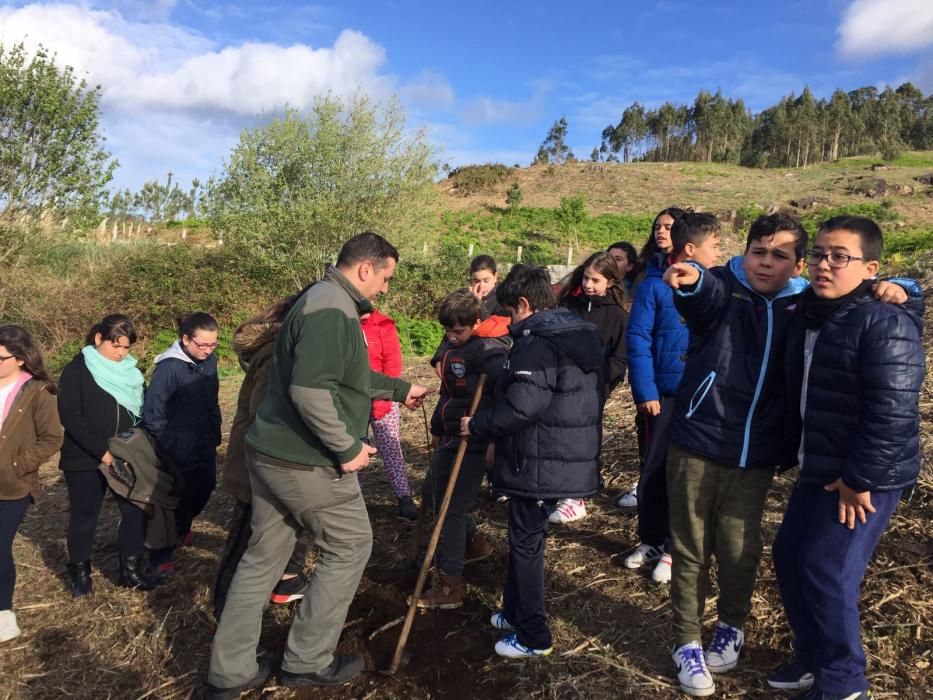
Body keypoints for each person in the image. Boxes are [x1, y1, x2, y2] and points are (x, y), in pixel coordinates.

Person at [661, 213, 910, 697]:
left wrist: (903, 286)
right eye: (759, 251)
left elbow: (863, 289)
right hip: (699, 441)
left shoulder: (806, 303)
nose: (766, 263)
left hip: (759, 452)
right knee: (689, 547)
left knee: (741, 550)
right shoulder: (724, 288)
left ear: (797, 264)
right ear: (745, 252)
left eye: (780, 255)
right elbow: (701, 298)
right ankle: (687, 640)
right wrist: (690, 284)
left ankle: (731, 627)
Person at [207, 232, 432, 698]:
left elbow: (344, 375)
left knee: (262, 558)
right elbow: (310, 392)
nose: (385, 289)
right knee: (351, 544)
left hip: (268, 452)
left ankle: (229, 671)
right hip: (303, 461)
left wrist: (397, 389)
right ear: (365, 269)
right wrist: (348, 448)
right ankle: (307, 660)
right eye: (385, 278)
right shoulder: (332, 308)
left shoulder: (320, 297)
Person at [770, 216, 924, 700]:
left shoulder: (885, 323)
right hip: (820, 463)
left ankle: (844, 681)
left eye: (840, 256)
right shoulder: (808, 313)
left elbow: (892, 412)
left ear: (871, 268)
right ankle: (813, 657)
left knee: (827, 568)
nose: (824, 264)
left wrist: (859, 479)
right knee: (790, 556)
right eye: (817, 253)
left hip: (865, 474)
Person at [460, 264, 603, 659]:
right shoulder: (572, 333)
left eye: (509, 312)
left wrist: (480, 425)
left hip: (539, 458)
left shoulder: (537, 341)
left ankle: (533, 635)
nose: (507, 321)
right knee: (526, 538)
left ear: (524, 304)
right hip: (556, 454)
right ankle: (514, 610)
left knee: (525, 545)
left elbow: (524, 407)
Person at [622, 214, 722, 584]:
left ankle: (675, 548)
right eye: (715, 247)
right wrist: (646, 390)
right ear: (691, 249)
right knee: (655, 469)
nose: (720, 253)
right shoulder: (652, 287)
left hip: (701, 395)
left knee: (690, 475)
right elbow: (639, 340)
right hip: (663, 394)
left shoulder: (720, 284)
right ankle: (651, 538)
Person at [213, 295, 313, 619]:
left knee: (262, 540)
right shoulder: (276, 354)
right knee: (244, 545)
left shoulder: (281, 348)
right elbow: (265, 414)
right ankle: (225, 621)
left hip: (264, 463)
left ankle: (282, 584)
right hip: (256, 465)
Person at [413, 289, 509, 609]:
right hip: (453, 436)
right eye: (448, 331)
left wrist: (493, 436)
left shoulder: (490, 351)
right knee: (431, 492)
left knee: (452, 508)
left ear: (477, 322)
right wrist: (438, 429)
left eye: (459, 331)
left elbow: (505, 396)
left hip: (475, 441)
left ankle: (451, 585)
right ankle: (473, 542)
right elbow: (448, 394)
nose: (452, 337)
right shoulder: (457, 349)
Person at [58, 315, 161, 595]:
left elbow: (140, 412)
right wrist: (103, 454)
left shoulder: (132, 373)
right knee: (85, 514)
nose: (121, 354)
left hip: (125, 452)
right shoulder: (77, 370)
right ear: (98, 339)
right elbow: (71, 416)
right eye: (115, 346)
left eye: (126, 348)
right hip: (84, 457)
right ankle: (80, 572)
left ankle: (130, 570)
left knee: (135, 508)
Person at [551, 251, 629, 524]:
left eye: (595, 279)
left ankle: (577, 496)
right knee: (559, 437)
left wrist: (598, 382)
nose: (588, 284)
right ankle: (560, 488)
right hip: (560, 385)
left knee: (583, 441)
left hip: (592, 390)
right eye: (585, 277)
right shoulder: (568, 305)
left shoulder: (617, 315)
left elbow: (620, 359)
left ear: (610, 281)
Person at [618, 207, 686, 510]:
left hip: (685, 378)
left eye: (668, 227)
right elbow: (639, 332)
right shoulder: (647, 271)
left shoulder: (702, 274)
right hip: (656, 375)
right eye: (657, 226)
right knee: (650, 441)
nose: (660, 232)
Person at [143, 312, 221, 574]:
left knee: (205, 486)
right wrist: (170, 444)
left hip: (204, 441)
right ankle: (159, 553)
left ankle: (182, 527)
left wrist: (215, 430)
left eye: (213, 345)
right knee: (169, 499)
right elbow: (154, 412)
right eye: (202, 345)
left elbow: (213, 399)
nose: (207, 350)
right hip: (176, 446)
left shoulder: (209, 362)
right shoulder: (169, 368)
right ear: (186, 339)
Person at [0, 325, 63, 643]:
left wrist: (16, 465)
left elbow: (52, 438)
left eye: (0, 358)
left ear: (21, 358)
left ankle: (3, 612)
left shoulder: (39, 391)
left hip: (13, 485)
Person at [360, 308, 418, 520]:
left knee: (391, 448)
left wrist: (386, 396)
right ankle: (354, 499)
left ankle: (404, 496)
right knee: (357, 447)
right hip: (353, 400)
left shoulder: (383, 325)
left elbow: (392, 363)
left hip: (383, 397)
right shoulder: (345, 322)